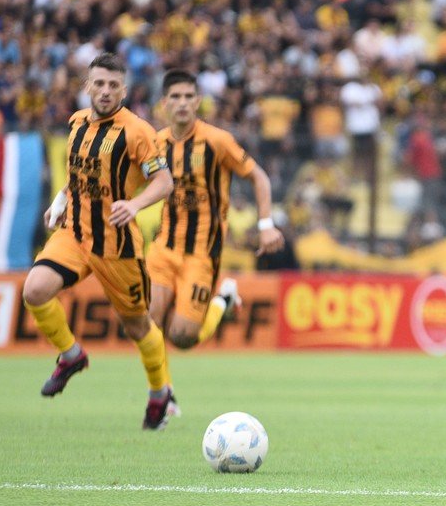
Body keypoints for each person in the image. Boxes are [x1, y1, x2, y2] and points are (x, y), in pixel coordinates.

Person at [25, 54, 175, 427]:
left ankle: (160, 393)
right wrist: (61, 200)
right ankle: (71, 355)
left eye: (113, 85)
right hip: (74, 234)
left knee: (138, 327)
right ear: (87, 86)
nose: (105, 91)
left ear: (124, 90)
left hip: (116, 246)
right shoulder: (76, 122)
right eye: (99, 84)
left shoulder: (138, 132)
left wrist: (134, 204)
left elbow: (164, 182)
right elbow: (78, 176)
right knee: (35, 290)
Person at [147, 70, 285, 369]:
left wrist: (265, 225)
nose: (182, 103)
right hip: (164, 248)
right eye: (175, 97)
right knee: (148, 324)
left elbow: (259, 177)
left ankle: (223, 299)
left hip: (202, 254)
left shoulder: (217, 141)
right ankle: (160, 392)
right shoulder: (155, 143)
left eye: (188, 96)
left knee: (182, 337)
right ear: (164, 103)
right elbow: (127, 179)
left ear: (198, 101)